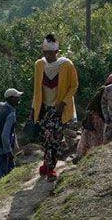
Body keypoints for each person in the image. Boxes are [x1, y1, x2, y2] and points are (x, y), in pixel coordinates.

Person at [31, 34, 78, 181]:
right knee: (45, 139)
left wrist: (63, 102)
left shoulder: (66, 65)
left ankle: (50, 169)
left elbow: (74, 86)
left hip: (59, 109)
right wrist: (33, 108)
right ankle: (47, 162)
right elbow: (36, 89)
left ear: (57, 52)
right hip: (44, 109)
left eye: (51, 53)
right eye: (45, 53)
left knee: (54, 138)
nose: (48, 56)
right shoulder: (39, 65)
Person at [76, 86, 105, 160]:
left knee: (87, 140)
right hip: (97, 123)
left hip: (92, 123)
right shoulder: (105, 94)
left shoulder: (95, 101)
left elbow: (88, 110)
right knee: (97, 140)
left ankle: (82, 156)